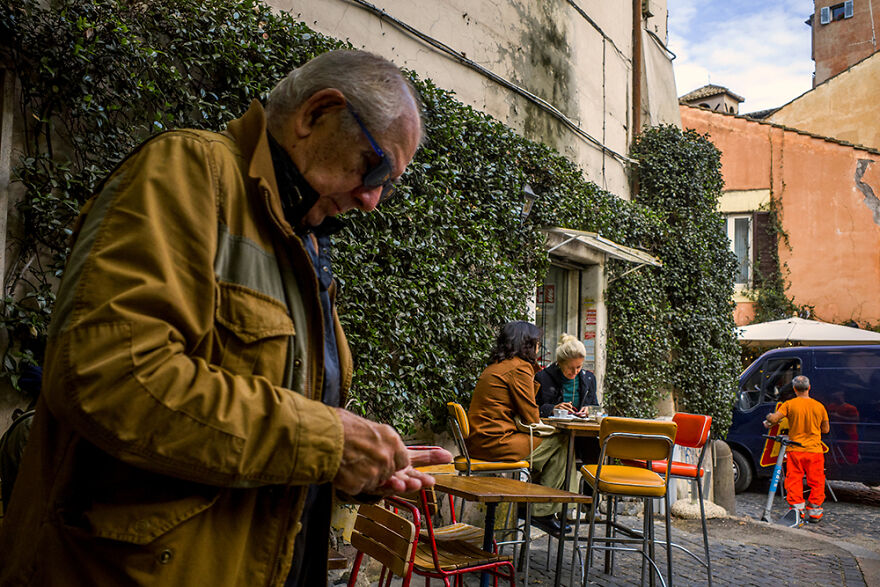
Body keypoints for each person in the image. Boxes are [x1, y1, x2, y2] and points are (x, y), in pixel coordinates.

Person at [0, 50, 451, 586]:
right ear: (316, 114)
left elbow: (262, 431)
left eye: (389, 184)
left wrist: (355, 468)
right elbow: (109, 376)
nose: (373, 199)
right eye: (374, 167)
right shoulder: (188, 173)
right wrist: (328, 444)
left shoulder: (299, 241)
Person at [466, 321, 574, 532]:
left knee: (549, 448)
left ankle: (532, 505)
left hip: (479, 442)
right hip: (496, 443)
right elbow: (531, 416)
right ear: (527, 344)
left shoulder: (497, 365)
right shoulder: (519, 368)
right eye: (536, 343)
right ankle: (540, 512)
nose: (538, 348)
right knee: (562, 442)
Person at [764, 375, 830, 523]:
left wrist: (769, 416)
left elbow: (773, 419)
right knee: (817, 481)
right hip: (814, 451)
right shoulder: (819, 406)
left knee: (794, 480)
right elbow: (825, 429)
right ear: (809, 387)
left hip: (795, 450)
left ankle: (797, 510)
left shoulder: (789, 404)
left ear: (794, 389)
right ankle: (815, 512)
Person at [535, 333, 600, 465]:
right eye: (570, 368)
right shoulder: (542, 378)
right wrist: (553, 409)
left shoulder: (588, 378)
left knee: (596, 454)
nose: (575, 372)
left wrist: (590, 410)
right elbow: (534, 408)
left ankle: (591, 484)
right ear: (559, 363)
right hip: (553, 434)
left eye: (579, 367)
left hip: (582, 435)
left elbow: (595, 406)